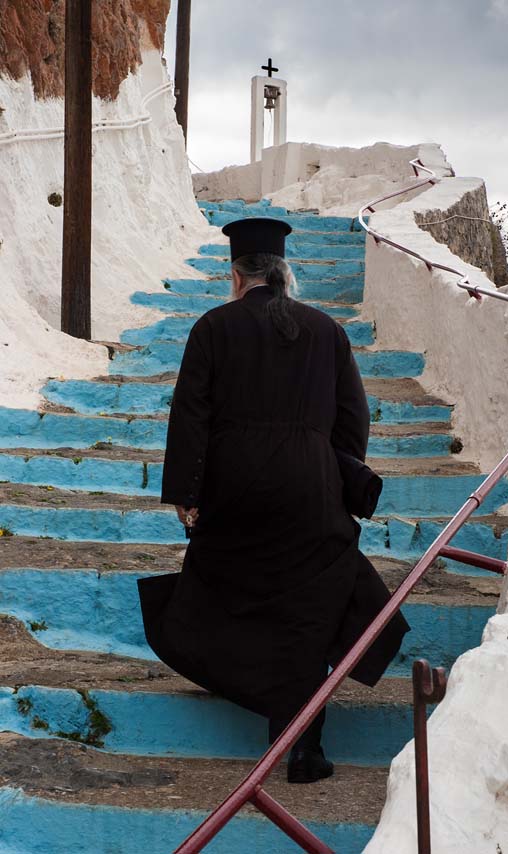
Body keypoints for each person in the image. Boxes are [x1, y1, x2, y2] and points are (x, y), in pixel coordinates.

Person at [138, 217, 408, 784]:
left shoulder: (213, 327)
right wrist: (331, 471)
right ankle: (305, 746)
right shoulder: (326, 330)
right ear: (285, 272)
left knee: (229, 594)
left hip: (234, 487)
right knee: (308, 608)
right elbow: (352, 419)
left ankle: (260, 701)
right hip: (310, 485)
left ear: (236, 275)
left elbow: (192, 415)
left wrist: (186, 495)